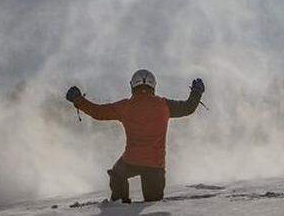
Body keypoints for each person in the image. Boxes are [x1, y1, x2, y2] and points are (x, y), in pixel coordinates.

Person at [66, 69, 204, 203]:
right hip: (156, 166)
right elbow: (188, 107)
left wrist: (78, 100)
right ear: (153, 86)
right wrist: (196, 92)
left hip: (131, 160)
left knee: (117, 175)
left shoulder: (125, 106)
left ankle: (120, 205)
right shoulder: (164, 105)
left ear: (132, 85)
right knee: (152, 205)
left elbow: (98, 112)